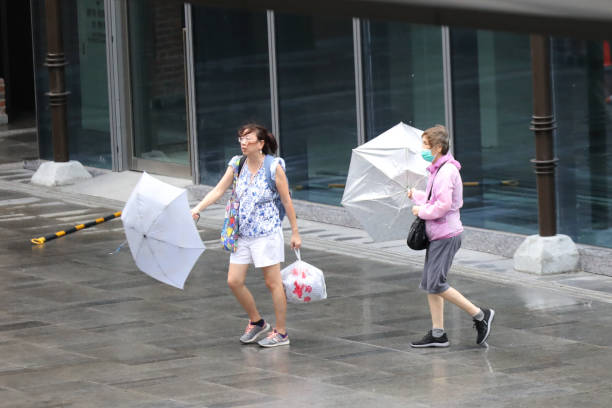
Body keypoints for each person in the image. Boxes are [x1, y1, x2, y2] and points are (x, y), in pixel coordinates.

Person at [190, 123, 301, 348]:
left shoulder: (273, 167)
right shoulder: (236, 164)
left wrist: (295, 232)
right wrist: (197, 209)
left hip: (266, 234)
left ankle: (281, 332)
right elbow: (219, 190)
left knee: (273, 283)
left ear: (260, 144)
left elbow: (287, 200)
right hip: (241, 233)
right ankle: (257, 321)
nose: (243, 143)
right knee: (234, 281)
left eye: (248, 139)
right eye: (241, 138)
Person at [408, 125, 494, 348]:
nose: (423, 150)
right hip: (437, 234)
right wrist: (416, 196)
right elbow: (433, 198)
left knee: (436, 282)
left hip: (446, 234)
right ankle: (438, 334)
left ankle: (479, 315)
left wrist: (421, 211)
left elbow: (444, 205)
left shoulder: (446, 172)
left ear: (437, 147)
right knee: (430, 283)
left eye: (426, 146)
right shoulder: (437, 169)